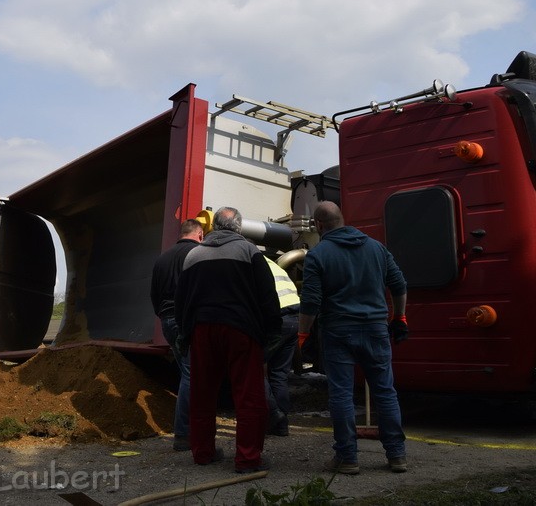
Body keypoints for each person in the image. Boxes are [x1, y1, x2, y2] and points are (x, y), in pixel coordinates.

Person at [299, 201, 409, 475]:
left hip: (338, 331)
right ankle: (397, 456)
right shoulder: (376, 247)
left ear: (318, 225)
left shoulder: (318, 254)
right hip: (375, 329)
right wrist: (400, 317)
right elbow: (399, 284)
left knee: (342, 395)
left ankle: (348, 458)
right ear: (342, 219)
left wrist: (303, 334)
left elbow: (311, 301)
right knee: (385, 391)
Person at [175, 206, 281, 474]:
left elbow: (181, 301)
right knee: (248, 396)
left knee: (201, 394)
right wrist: (272, 331)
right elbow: (268, 295)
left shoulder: (193, 255)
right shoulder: (249, 251)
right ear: (238, 228)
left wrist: (184, 333)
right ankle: (247, 459)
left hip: (202, 330)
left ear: (214, 228)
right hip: (240, 329)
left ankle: (202, 453)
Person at [150, 213, 207, 451]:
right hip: (187, 320)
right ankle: (184, 434)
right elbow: (201, 290)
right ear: (200, 235)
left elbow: (153, 295)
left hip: (167, 320)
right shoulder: (196, 255)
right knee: (192, 374)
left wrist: (164, 316)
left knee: (187, 372)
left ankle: (190, 430)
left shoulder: (162, 259)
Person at [263, 257, 300, 437]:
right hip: (295, 318)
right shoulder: (271, 263)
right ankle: (281, 425)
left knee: (252, 368)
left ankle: (273, 414)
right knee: (279, 374)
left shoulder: (251, 262)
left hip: (278, 319)